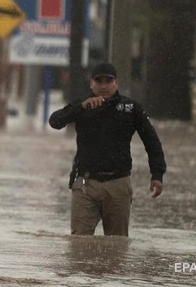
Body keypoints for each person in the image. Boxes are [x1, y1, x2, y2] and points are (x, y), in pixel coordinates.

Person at [48, 62, 166, 236]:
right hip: (85, 183)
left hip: (118, 183)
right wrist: (81, 108)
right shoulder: (82, 105)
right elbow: (55, 121)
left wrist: (157, 174)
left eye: (108, 81)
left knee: (117, 244)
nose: (103, 86)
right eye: (99, 81)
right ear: (91, 84)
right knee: (79, 243)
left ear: (116, 83)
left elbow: (152, 141)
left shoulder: (130, 108)